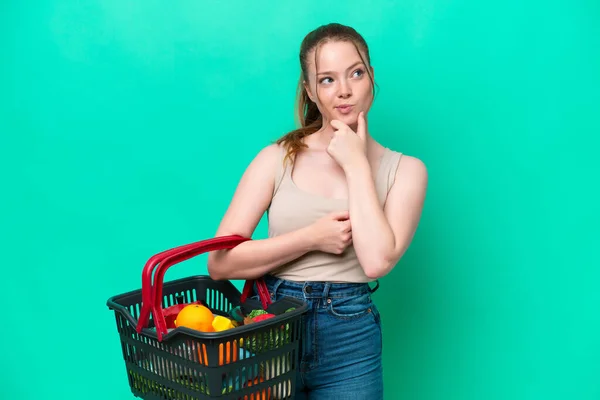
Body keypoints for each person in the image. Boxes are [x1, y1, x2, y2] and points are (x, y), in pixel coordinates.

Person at [208, 22, 428, 399]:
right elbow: (220, 263)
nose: (344, 90)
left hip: (349, 334)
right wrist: (311, 238)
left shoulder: (406, 171)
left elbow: (376, 262)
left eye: (355, 74)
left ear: (371, 77)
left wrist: (356, 165)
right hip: (271, 325)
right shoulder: (277, 158)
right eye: (327, 80)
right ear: (310, 90)